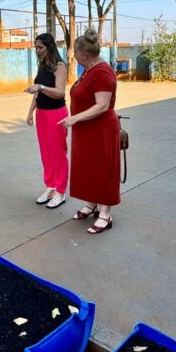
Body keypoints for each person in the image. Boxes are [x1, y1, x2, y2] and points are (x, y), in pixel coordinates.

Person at [61, 28, 120, 234]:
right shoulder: (88, 70)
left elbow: (102, 105)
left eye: (75, 54)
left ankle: (105, 214)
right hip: (86, 129)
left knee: (102, 168)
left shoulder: (102, 72)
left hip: (100, 129)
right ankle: (91, 204)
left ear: (84, 54)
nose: (73, 57)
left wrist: (74, 118)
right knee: (87, 168)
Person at [26, 33, 68, 209]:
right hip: (42, 114)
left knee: (58, 153)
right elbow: (37, 92)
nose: (37, 51)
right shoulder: (43, 66)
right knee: (46, 153)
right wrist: (30, 112)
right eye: (36, 47)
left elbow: (60, 92)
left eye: (40, 47)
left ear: (50, 47)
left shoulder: (60, 66)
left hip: (56, 114)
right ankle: (50, 186)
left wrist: (41, 87)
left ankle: (60, 191)